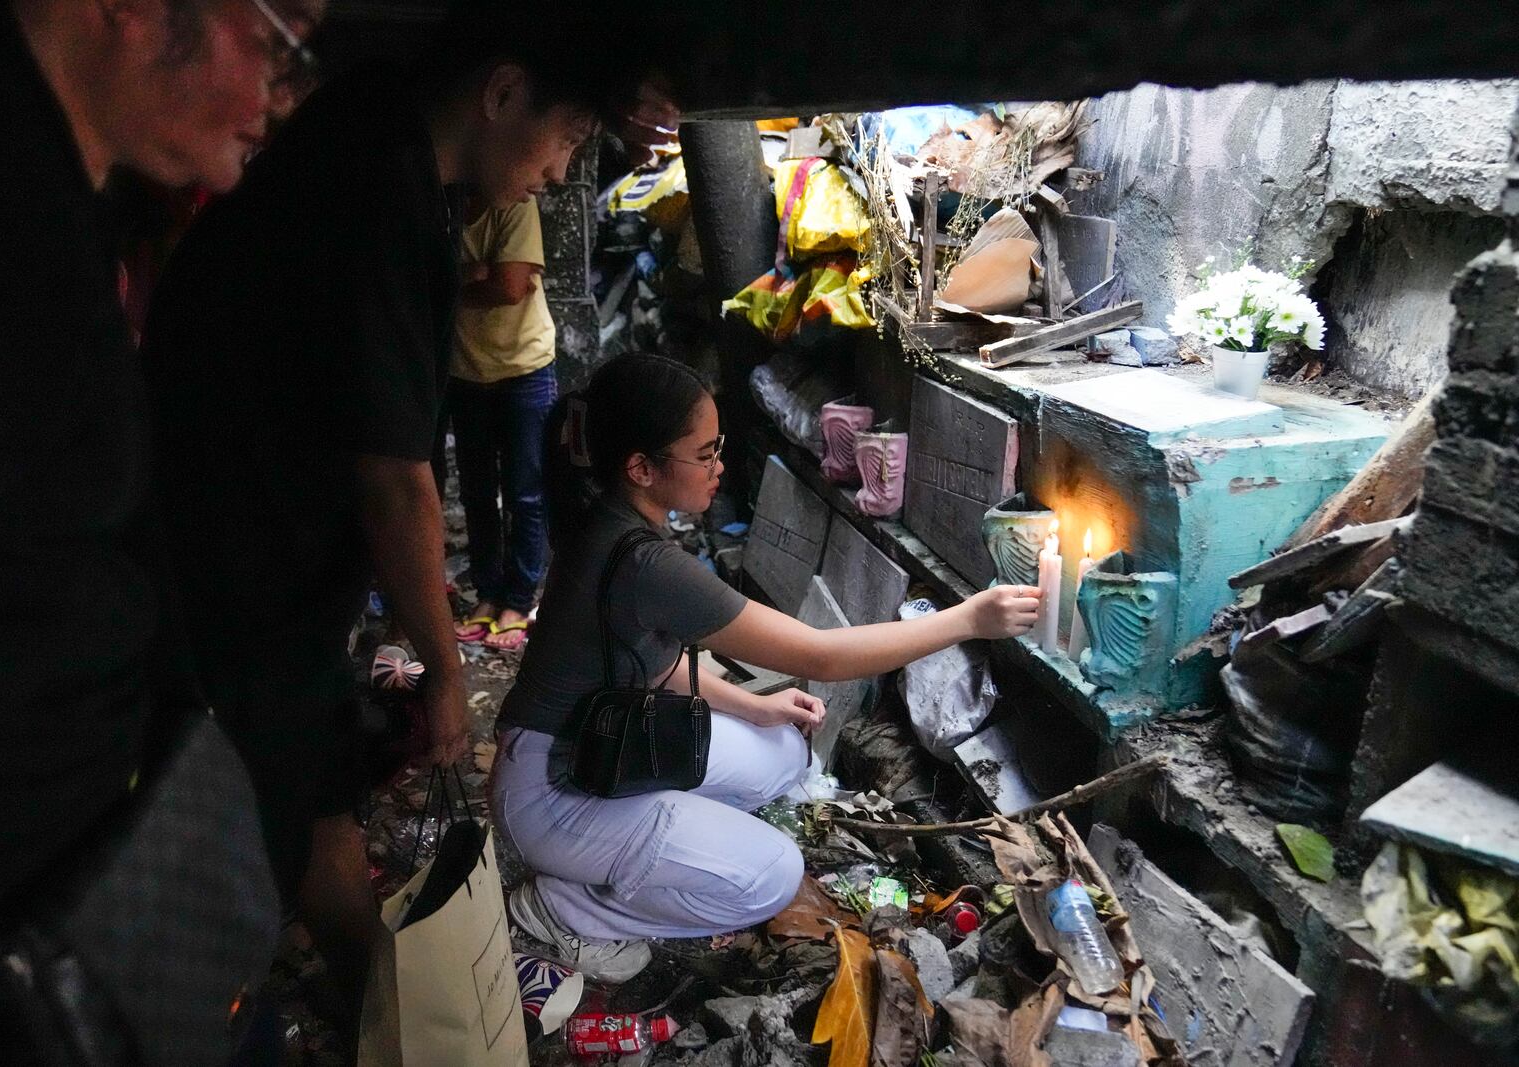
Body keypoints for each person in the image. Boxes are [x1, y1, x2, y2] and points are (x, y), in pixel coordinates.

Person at [144, 15, 677, 1029]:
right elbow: (396, 477)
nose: (561, 172)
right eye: (566, 137)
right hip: (242, 548)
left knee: (307, 776)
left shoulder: (365, 135)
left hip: (244, 532)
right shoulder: (378, 193)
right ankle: (381, 1014)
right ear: (502, 90)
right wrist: (442, 667)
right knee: (299, 792)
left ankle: (372, 997)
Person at [0, 0, 321, 1057]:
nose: (282, 94)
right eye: (277, 41)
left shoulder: (45, 182)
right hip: (1, 946)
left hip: (101, 860)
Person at [491, 354, 1043, 982]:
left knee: (783, 749)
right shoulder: (645, 562)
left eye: (718, 445)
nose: (718, 465)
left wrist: (755, 706)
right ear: (641, 469)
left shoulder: (615, 523)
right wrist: (969, 619)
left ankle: (650, 843)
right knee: (772, 877)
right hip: (551, 793)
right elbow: (820, 655)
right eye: (703, 454)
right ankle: (567, 909)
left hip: (593, 748)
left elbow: (651, 661)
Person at [448, 195, 560, 651]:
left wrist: (455, 279)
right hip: (465, 370)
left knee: (526, 491)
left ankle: (518, 599)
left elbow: (511, 287)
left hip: (525, 367)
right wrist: (482, 275)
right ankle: (488, 594)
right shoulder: (444, 208)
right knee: (477, 491)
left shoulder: (514, 204)